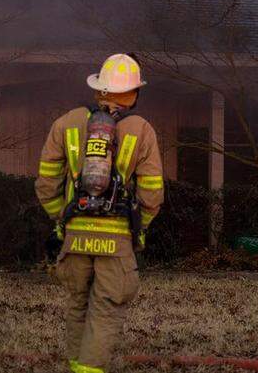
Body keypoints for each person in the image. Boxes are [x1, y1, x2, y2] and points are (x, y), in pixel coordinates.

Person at [34, 53, 165, 373]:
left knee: (77, 304)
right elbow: (151, 192)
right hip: (116, 239)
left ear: (99, 88)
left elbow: (46, 182)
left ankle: (76, 366)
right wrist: (140, 228)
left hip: (74, 235)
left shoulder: (66, 122)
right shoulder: (141, 129)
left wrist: (60, 221)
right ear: (133, 93)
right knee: (105, 310)